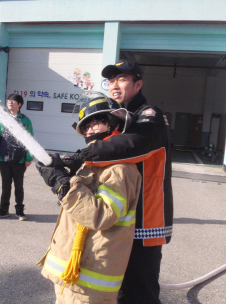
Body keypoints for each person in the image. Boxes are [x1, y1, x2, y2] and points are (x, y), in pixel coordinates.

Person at [63, 60, 173, 304]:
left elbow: (135, 144)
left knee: (139, 293)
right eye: (111, 81)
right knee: (118, 289)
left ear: (138, 84)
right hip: (123, 218)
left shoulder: (149, 115)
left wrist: (83, 156)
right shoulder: (121, 118)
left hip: (146, 220)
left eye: (122, 79)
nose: (114, 85)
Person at [36, 92, 142, 304]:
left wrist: (63, 184)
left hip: (90, 280)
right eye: (86, 126)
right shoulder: (95, 164)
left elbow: (100, 215)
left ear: (113, 123)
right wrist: (71, 175)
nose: (91, 128)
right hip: (73, 273)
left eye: (98, 122)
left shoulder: (119, 168)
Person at [0, 94, 34, 221]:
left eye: (13, 101)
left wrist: (28, 158)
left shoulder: (25, 121)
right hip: (4, 158)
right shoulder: (2, 119)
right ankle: (3, 210)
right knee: (5, 186)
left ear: (20, 104)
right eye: (8, 100)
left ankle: (19, 211)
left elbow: (30, 140)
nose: (10, 102)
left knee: (19, 186)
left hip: (19, 159)